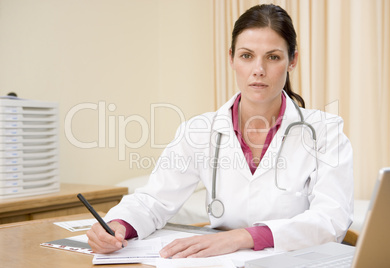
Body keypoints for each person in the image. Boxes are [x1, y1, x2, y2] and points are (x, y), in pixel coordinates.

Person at [87, 4, 353, 258]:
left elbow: (331, 219)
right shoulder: (199, 131)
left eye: (273, 57)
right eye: (247, 56)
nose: (258, 70)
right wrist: (118, 225)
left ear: (292, 61)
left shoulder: (325, 132)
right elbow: (154, 199)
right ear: (231, 58)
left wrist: (240, 237)